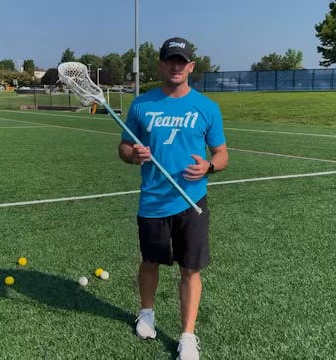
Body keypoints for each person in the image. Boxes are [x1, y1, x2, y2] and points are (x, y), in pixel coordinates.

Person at [118, 37, 228, 360]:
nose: (176, 66)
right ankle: (147, 314)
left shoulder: (207, 108)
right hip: (152, 201)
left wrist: (208, 166)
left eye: (182, 61)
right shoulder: (141, 105)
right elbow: (123, 147)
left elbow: (222, 155)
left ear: (191, 67)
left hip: (192, 202)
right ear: (161, 65)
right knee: (150, 261)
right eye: (170, 60)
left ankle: (188, 336)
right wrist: (133, 154)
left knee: (191, 269)